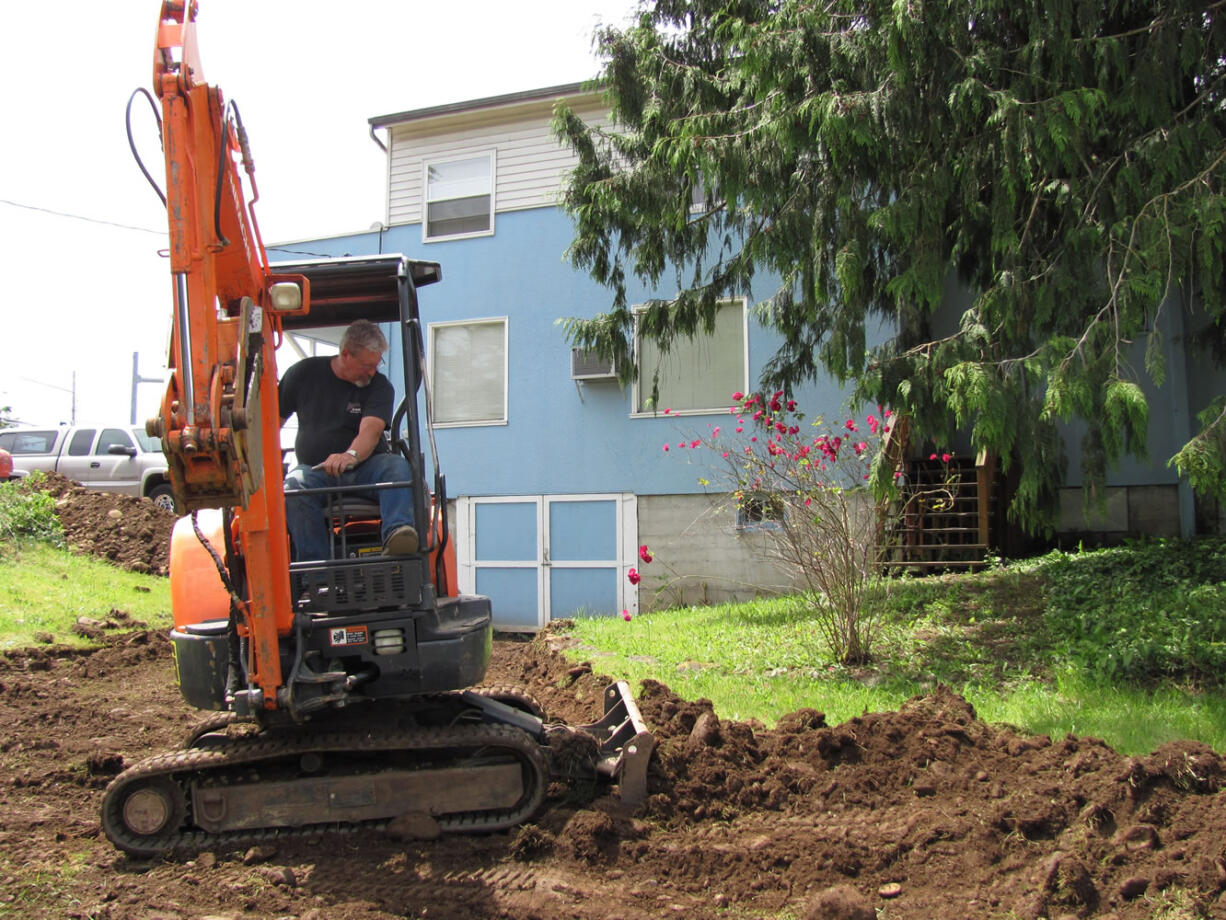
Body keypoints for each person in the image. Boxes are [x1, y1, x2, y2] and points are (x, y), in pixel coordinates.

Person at [279, 319, 418, 561]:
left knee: (396, 467)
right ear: (345, 354)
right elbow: (271, 422)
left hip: (366, 469)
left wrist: (350, 456)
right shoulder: (302, 375)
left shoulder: (379, 386)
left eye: (376, 365)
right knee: (293, 485)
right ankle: (315, 567)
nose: (372, 372)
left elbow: (370, 431)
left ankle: (398, 535)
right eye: (367, 365)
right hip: (316, 472)